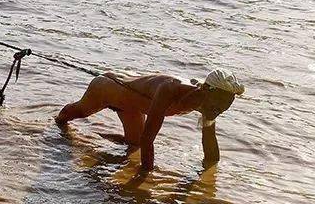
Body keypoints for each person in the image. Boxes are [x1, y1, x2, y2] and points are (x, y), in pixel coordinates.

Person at [55, 69, 245, 171]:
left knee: (134, 145)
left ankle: (97, 137)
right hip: (107, 89)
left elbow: (211, 155)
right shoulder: (171, 89)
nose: (217, 112)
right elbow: (149, 138)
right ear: (205, 90)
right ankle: (51, 125)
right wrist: (147, 176)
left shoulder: (209, 106)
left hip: (132, 106)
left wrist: (210, 171)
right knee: (73, 115)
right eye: (216, 107)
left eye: (223, 109)